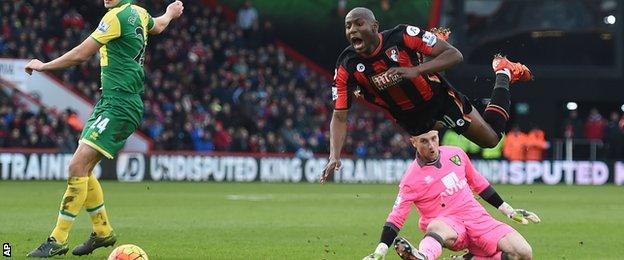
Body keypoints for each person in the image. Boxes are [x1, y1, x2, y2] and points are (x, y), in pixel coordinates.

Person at [24, 0, 184, 257]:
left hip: (119, 104)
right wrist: (170, 13)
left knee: (77, 166)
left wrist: (43, 66)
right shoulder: (139, 14)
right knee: (84, 169)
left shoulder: (115, 17)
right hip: (112, 102)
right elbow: (160, 25)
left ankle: (58, 238)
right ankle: (102, 232)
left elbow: (80, 54)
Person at [321, 7, 532, 182]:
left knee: (491, 139)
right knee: (429, 170)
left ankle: (503, 71)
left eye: (359, 24)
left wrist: (415, 71)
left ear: (375, 27)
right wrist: (334, 155)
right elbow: (339, 115)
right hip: (407, 118)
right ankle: (427, 50)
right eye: (348, 26)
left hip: (439, 101)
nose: (352, 30)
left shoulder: (401, 36)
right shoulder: (347, 66)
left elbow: (455, 55)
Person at [363, 130, 540, 260]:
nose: (431, 146)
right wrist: (380, 250)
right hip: (449, 225)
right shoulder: (410, 179)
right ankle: (423, 256)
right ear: (413, 142)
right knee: (435, 226)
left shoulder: (456, 154)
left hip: (478, 218)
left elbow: (479, 183)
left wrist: (508, 210)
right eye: (424, 141)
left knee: (523, 253)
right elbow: (396, 217)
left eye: (434, 138)